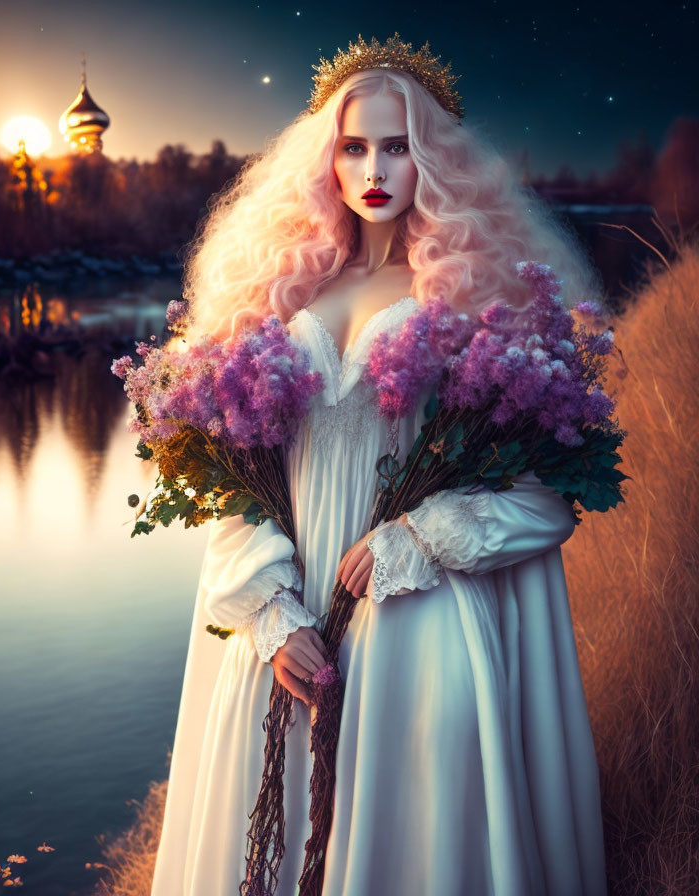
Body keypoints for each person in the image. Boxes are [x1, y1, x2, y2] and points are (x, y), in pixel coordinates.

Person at [150, 34, 607, 896]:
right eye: (354, 146)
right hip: (297, 610)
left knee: (418, 827)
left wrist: (424, 534)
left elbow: (549, 494)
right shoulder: (280, 295)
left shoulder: (476, 300)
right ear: (325, 159)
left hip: (417, 610)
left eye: (396, 146)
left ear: (430, 159)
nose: (374, 168)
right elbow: (230, 475)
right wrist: (268, 605)